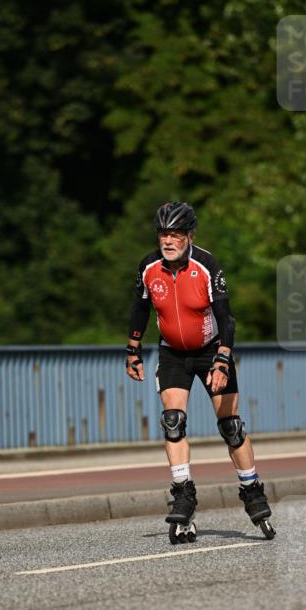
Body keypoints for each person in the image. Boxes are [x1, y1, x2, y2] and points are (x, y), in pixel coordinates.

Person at [125, 201, 274, 542]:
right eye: (164, 234)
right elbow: (140, 308)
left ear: (190, 235)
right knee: (172, 421)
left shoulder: (207, 266)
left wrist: (223, 358)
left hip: (211, 351)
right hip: (173, 353)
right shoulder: (149, 267)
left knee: (231, 427)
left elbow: (226, 318)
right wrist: (133, 349)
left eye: (176, 234)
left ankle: (252, 490)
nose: (168, 240)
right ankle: (183, 493)